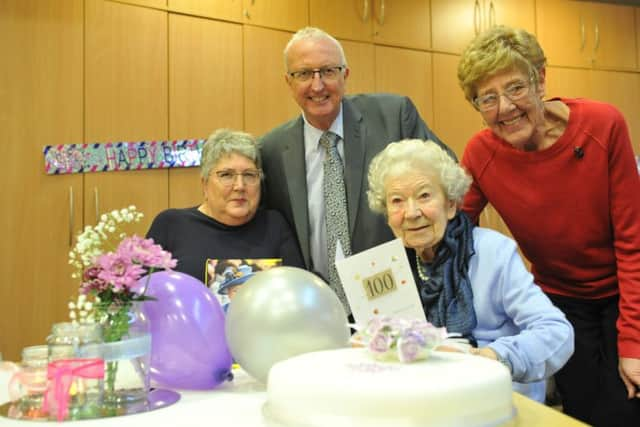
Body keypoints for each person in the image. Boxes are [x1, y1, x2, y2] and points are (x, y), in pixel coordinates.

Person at [457, 25, 640, 425]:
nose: (504, 108)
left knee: (632, 399)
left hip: (625, 291)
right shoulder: (481, 153)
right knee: (588, 412)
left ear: (540, 79)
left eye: (515, 88)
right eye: (487, 98)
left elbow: (633, 243)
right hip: (560, 300)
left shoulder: (603, 125)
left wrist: (633, 343)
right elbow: (454, 234)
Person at [260, 26, 454, 314]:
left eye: (328, 71)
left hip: (399, 303)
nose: (317, 86)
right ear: (288, 82)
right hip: (314, 310)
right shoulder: (272, 150)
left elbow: (449, 179)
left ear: (345, 75)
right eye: (304, 74)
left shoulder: (394, 117)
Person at [367, 138, 574, 402]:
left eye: (424, 195)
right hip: (425, 403)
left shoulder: (492, 252)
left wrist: (492, 357)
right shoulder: (387, 266)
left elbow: (556, 331)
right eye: (397, 201)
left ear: (450, 204)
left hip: (497, 401)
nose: (411, 212)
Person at [147, 129, 304, 284]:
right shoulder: (171, 225)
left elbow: (298, 290)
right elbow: (138, 297)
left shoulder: (274, 225)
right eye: (226, 175)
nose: (240, 186)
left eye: (249, 175)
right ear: (205, 184)